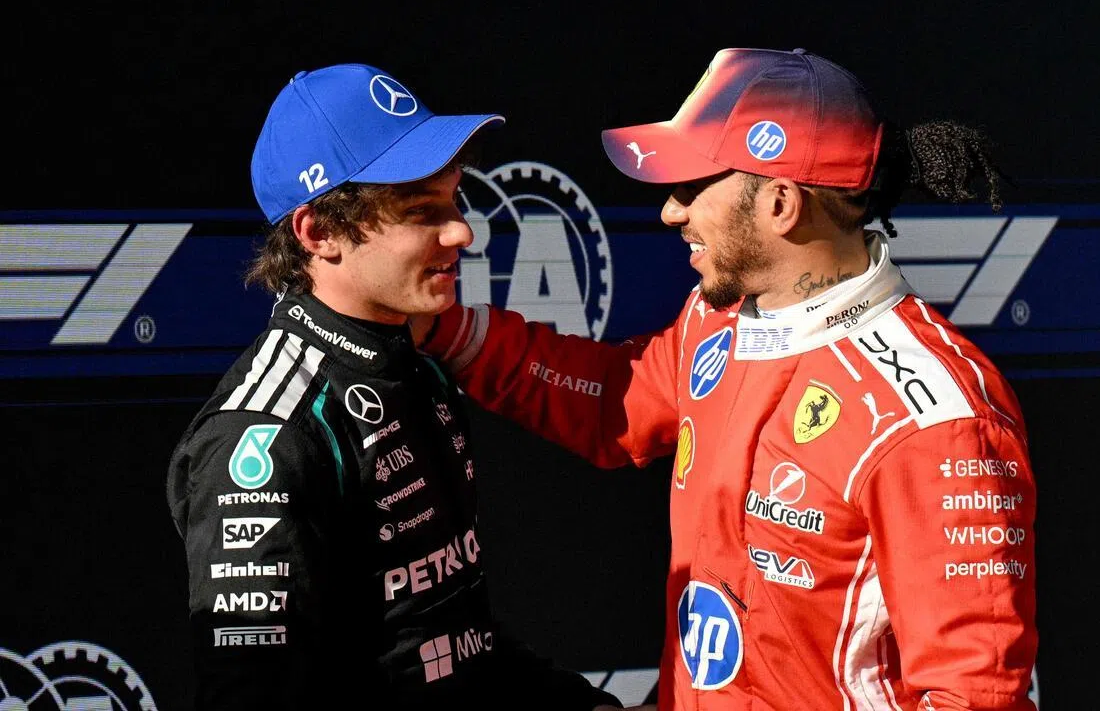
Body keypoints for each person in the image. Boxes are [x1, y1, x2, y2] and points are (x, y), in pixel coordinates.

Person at [417, 48, 1038, 709]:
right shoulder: (715, 324)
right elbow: (611, 405)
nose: (670, 213)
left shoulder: (935, 420)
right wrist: (445, 332)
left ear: (779, 203)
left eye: (691, 188)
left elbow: (975, 693)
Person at [165, 62, 632, 710]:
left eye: (455, 199)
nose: (462, 230)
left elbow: (449, 642)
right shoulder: (267, 436)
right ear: (318, 232)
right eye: (422, 211)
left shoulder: (419, 369)